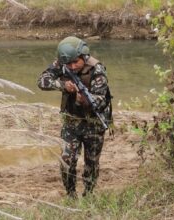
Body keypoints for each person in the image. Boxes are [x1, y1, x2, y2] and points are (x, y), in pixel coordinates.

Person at [37, 36, 112, 198]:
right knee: (66, 161)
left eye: (75, 62)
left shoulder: (97, 70)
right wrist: (63, 86)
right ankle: (71, 194)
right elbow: (42, 81)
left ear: (83, 56)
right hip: (71, 122)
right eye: (68, 63)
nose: (72, 66)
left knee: (91, 163)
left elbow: (100, 101)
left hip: (94, 124)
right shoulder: (63, 64)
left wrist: (83, 100)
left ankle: (89, 194)